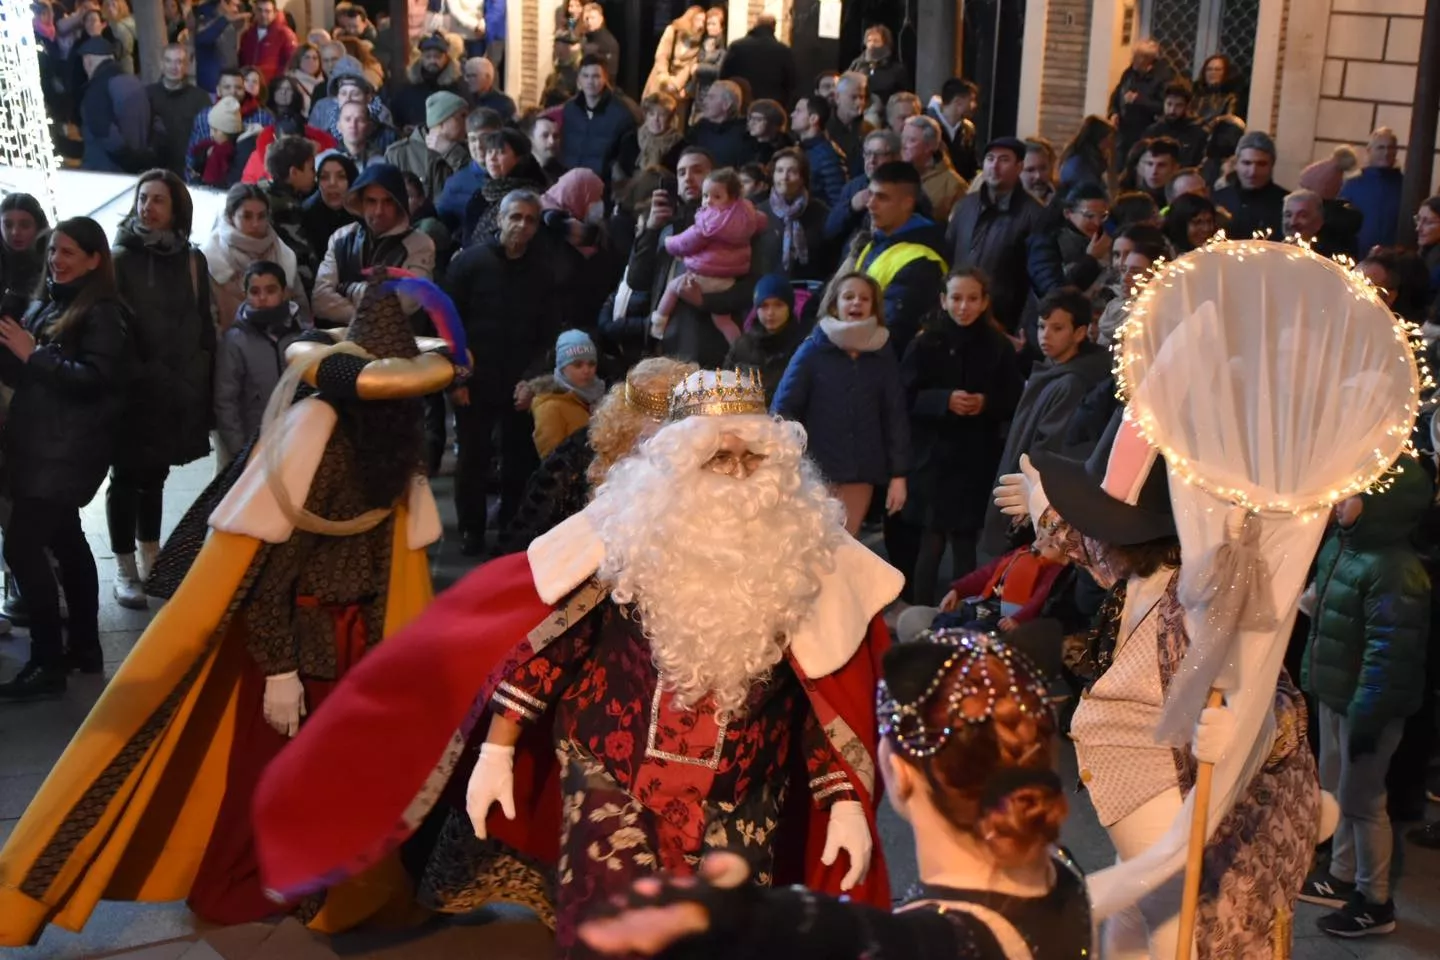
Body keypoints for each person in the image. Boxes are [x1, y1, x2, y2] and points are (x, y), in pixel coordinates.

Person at [251, 368, 900, 958]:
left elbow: (823, 683)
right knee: (606, 934)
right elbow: (547, 642)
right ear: (678, 463)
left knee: (720, 941)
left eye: (750, 459)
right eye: (716, 458)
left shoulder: (803, 556)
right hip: (609, 775)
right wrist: (498, 752)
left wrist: (843, 798)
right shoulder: (627, 532)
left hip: (742, 798)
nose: (735, 477)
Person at [0, 281, 460, 936]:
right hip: (298, 644)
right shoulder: (319, 445)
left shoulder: (390, 458)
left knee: (342, 782)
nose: (402, 412)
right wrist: (277, 668)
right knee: (270, 780)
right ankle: (264, 883)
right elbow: (268, 569)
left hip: (356, 645)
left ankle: (332, 887)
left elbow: (394, 560)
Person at [997, 415, 1321, 958]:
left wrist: (1251, 729)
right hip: (1130, 774)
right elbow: (1098, 551)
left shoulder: (1202, 597)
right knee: (1131, 923)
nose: (1092, 530)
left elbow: (1267, 692)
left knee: (1177, 935)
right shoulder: (1153, 568)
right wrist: (1044, 510)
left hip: (1160, 783)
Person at [577, 631, 1091, 960]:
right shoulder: (1062, 871)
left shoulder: (942, 936)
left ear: (900, 772)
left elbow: (857, 933)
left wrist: (744, 915)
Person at [1297, 463, 1432, 938]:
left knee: (1363, 801)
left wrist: (1368, 721)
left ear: (1383, 506)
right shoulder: (1344, 547)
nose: (1338, 503)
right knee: (1338, 790)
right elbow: (1329, 612)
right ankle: (1339, 875)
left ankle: (1375, 901)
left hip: (1366, 709)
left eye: (1350, 496)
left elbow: (1388, 657)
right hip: (1337, 695)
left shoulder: (1394, 570)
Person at [0, 219, 126, 699]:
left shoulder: (104, 313)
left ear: (95, 259)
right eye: (54, 250)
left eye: (70, 252)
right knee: (67, 542)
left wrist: (35, 355)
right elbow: (27, 366)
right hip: (42, 442)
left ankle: (47, 662)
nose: (58, 259)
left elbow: (96, 379)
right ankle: (85, 649)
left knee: (22, 548)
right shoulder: (52, 301)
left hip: (66, 450)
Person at [109, 170, 214, 609]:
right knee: (127, 477)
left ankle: (153, 554)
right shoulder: (118, 259)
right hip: (134, 389)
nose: (147, 207)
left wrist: (196, 378)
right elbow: (113, 326)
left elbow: (202, 324)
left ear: (176, 210)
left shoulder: (192, 260)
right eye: (143, 198)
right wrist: (140, 370)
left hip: (177, 388)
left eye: (157, 200)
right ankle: (124, 565)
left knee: (156, 475)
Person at [443, 189, 558, 554]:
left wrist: (534, 381)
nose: (522, 226)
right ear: (499, 219)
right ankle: (470, 531)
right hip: (474, 378)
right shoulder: (469, 264)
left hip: (519, 381)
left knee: (518, 460)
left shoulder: (543, 271)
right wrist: (455, 379)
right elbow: (449, 324)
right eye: (515, 217)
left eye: (530, 219)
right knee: (472, 459)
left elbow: (548, 334)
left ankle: (511, 530)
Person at [900, 268, 1022, 603]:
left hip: (976, 454)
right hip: (934, 455)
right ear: (943, 300)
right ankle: (922, 611)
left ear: (984, 302)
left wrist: (986, 402)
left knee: (966, 539)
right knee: (932, 537)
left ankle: (965, 614)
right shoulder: (926, 342)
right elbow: (904, 395)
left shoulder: (998, 345)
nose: (963, 306)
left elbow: (1013, 398)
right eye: (956, 298)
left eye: (972, 298)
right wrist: (943, 400)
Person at [498, 357, 698, 553]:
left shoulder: (699, 456)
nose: (670, 432)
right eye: (660, 419)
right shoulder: (577, 458)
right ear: (629, 419)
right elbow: (529, 537)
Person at [773, 273, 908, 536]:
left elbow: (895, 416)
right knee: (811, 543)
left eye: (864, 298)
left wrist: (899, 475)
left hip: (861, 472)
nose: (856, 303)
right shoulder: (812, 350)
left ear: (873, 306)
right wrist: (787, 461)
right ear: (835, 304)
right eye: (849, 297)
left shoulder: (882, 353)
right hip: (815, 471)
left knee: (846, 544)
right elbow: (783, 409)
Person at [977, 288, 1107, 560]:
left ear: (1080, 333)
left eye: (1057, 328)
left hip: (1030, 500)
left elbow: (1049, 448)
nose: (1045, 334)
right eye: (1041, 326)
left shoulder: (1072, 382)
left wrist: (1028, 502)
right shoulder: (1053, 371)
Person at [630, 147, 773, 367]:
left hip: (713, 347)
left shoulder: (741, 224)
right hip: (665, 346)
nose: (688, 178)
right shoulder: (665, 223)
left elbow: (754, 287)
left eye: (697, 171)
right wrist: (650, 231)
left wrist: (705, 301)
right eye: (681, 173)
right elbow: (637, 281)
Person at [946, 137, 1065, 346]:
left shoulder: (1034, 214)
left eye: (1004, 160)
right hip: (956, 315)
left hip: (1002, 324)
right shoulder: (966, 206)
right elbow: (948, 256)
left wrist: (1022, 329)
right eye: (990, 159)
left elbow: (1038, 277)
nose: (995, 166)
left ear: (1019, 166)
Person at [652, 167, 768, 347]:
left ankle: (658, 323)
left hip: (704, 276)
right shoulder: (748, 216)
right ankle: (738, 348)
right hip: (727, 280)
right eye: (706, 196)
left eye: (716, 197)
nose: (708, 201)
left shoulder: (709, 224)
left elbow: (684, 243)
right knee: (723, 321)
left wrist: (666, 242)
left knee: (674, 287)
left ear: (732, 197)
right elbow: (761, 221)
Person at [312, 163, 435, 326]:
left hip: (399, 346)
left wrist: (347, 289)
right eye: (371, 201)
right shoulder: (341, 237)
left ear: (399, 204)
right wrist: (365, 318)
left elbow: (404, 302)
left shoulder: (420, 244)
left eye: (387, 202)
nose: (379, 211)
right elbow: (320, 299)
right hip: (343, 343)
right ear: (360, 202)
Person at [212, 259, 306, 467]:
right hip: (255, 442)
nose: (262, 298)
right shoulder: (235, 340)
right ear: (245, 295)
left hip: (297, 437)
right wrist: (240, 452)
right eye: (254, 292)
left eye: (271, 290)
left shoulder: (302, 334)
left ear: (284, 292)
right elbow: (226, 401)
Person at [853, 161, 948, 356]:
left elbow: (896, 331)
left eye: (882, 197)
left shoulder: (922, 262)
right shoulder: (877, 242)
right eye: (870, 194)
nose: (870, 204)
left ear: (907, 203)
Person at [202, 183, 311, 334]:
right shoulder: (212, 258)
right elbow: (207, 320)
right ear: (230, 216)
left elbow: (302, 311)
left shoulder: (283, 255)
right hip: (231, 349)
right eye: (246, 216)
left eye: (261, 216)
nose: (255, 224)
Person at [725, 273, 806, 405]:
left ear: (789, 307)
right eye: (764, 306)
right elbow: (724, 383)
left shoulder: (802, 348)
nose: (770, 313)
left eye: (778, 305)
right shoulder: (742, 345)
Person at [77, 34, 151, 173]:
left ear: (88, 61)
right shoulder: (134, 81)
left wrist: (128, 160)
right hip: (136, 169)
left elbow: (104, 132)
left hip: (105, 170)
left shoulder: (98, 88)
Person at [561, 55, 637, 184]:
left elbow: (627, 159)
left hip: (602, 187)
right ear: (579, 79)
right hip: (570, 184)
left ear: (605, 79)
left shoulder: (621, 114)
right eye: (585, 76)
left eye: (596, 76)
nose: (590, 81)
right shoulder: (569, 109)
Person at [528, 328, 604, 457]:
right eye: (578, 365)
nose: (586, 370)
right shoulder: (549, 406)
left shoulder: (601, 396)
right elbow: (552, 462)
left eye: (591, 364)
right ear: (562, 367)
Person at [384, 90, 470, 199]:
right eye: (463, 116)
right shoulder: (399, 154)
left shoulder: (468, 150)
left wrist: (451, 152)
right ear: (442, 122)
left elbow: (474, 184)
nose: (468, 122)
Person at [149, 44, 216, 177]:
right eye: (169, 61)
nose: (174, 67)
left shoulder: (200, 97)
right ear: (161, 63)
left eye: (179, 61)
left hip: (187, 171)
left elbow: (207, 137)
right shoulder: (148, 95)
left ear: (187, 66)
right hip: (154, 169)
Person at [764, 146, 830, 282]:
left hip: (810, 287)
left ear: (802, 178)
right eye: (779, 171)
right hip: (769, 289)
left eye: (792, 171)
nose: (784, 177)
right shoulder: (759, 212)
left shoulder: (820, 211)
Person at [1107, 38, 1174, 167]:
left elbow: (1163, 107)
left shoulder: (1162, 78)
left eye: (1136, 56)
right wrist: (1113, 112)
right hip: (1123, 132)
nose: (1132, 59)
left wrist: (1139, 100)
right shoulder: (1129, 73)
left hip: (1144, 133)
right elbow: (1116, 95)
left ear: (1148, 59)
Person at [1213, 130, 1288, 239]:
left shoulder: (1286, 205)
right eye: (1247, 163)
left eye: (1261, 164)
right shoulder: (1218, 199)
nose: (1253, 172)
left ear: (1272, 165)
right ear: (1237, 163)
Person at [1341, 127, 1403, 256]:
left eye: (1391, 147)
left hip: (1394, 260)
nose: (1386, 152)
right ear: (1369, 151)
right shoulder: (1353, 184)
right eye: (1381, 147)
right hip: (1357, 257)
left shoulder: (1406, 185)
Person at [391, 31, 464, 131]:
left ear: (446, 58)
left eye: (437, 57)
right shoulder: (409, 87)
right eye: (428, 57)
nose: (433, 61)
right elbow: (397, 115)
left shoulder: (457, 86)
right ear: (421, 58)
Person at [719, 13, 794, 107]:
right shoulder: (784, 51)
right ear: (774, 27)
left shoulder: (737, 46)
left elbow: (724, 76)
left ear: (755, 24)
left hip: (742, 103)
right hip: (771, 105)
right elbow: (791, 83)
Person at [903, 115, 966, 224]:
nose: (904, 145)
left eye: (911, 140)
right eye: (903, 138)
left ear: (930, 146)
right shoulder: (894, 173)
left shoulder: (954, 186)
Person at [300, 148, 359, 259]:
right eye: (324, 177)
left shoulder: (363, 213)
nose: (332, 184)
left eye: (341, 177)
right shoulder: (306, 215)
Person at [792, 94, 848, 208]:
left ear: (813, 119)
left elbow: (837, 200)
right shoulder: (800, 149)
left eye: (798, 111)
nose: (792, 115)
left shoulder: (828, 155)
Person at [0, 193, 49, 313]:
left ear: (38, 227)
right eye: (8, 225)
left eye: (25, 225)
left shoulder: (54, 260)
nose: (15, 232)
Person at [644, 5, 703, 102]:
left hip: (676, 90)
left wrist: (675, 85)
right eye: (698, 19)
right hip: (660, 80)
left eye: (703, 21)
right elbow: (662, 55)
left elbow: (688, 68)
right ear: (690, 19)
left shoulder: (699, 44)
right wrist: (664, 77)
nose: (700, 24)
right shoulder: (673, 30)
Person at [689, 79, 751, 168]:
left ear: (727, 104)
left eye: (711, 97)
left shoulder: (744, 133)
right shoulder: (699, 128)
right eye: (706, 97)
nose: (705, 102)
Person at [927, 78, 979, 182]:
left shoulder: (968, 130)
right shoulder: (925, 125)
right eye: (971, 100)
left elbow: (970, 167)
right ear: (958, 102)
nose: (974, 105)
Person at [1142, 82, 1206, 167]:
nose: (1172, 110)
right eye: (1169, 104)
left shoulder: (1196, 132)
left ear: (1186, 107)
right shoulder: (1152, 131)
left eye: (1178, 106)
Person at [847, 24, 907, 109]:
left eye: (876, 41)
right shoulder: (857, 64)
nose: (871, 44)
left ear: (885, 43)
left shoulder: (896, 69)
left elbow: (902, 95)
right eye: (869, 40)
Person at [237, 0, 296, 83]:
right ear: (255, 11)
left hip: (272, 87)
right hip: (249, 85)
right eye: (260, 10)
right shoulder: (247, 34)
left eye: (267, 11)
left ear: (275, 13)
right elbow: (241, 60)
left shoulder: (285, 35)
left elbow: (292, 62)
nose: (263, 15)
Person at [830, 71, 872, 179]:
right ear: (837, 97)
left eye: (861, 97)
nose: (859, 103)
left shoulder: (870, 130)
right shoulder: (823, 128)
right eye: (853, 97)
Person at [1058, 115, 1114, 195]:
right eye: (1107, 138)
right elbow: (1091, 193)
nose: (1109, 143)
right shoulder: (1081, 165)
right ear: (1098, 138)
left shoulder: (1087, 161)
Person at [462, 55, 515, 120]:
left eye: (473, 76)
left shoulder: (503, 104)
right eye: (466, 76)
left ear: (487, 77)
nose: (466, 80)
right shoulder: (463, 99)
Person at [1193, 54, 1242, 123]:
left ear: (1225, 72)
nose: (1213, 72)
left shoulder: (1231, 97)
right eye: (1209, 69)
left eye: (1217, 70)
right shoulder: (1195, 93)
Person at [578, 2, 620, 83]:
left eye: (593, 18)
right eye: (587, 18)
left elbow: (610, 74)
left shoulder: (608, 42)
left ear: (601, 19)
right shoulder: (585, 38)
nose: (589, 21)